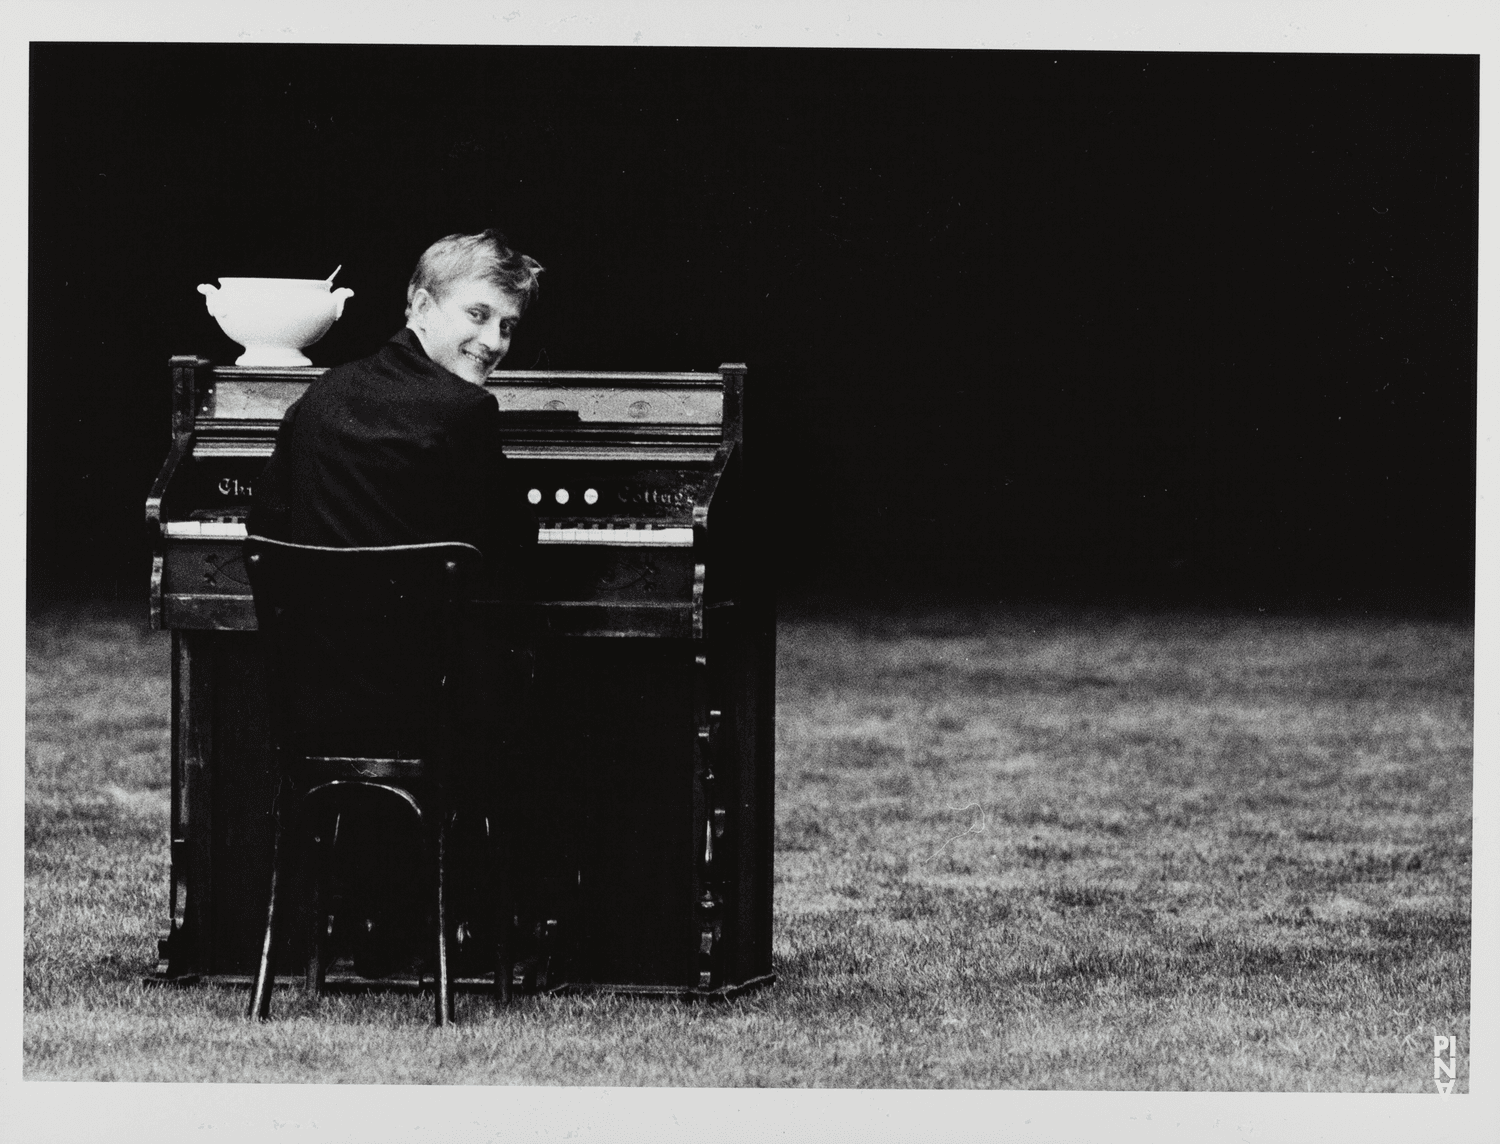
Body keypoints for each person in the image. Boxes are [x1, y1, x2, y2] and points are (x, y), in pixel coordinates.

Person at [247, 229, 543, 978]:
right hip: (430, 706)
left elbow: (265, 533)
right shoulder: (464, 414)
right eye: (478, 315)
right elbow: (509, 554)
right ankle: (514, 928)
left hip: (311, 702)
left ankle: (355, 922)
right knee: (552, 680)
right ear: (419, 303)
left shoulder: (319, 400)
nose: (494, 340)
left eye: (508, 325)